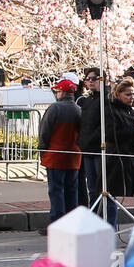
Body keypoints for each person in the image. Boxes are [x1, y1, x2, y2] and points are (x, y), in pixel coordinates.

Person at [101, 79, 134, 230]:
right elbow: (113, 135)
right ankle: (108, 227)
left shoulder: (130, 110)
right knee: (110, 192)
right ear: (118, 94)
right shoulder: (111, 110)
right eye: (127, 94)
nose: (131, 97)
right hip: (118, 159)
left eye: (133, 94)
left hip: (133, 157)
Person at [37, 72, 82, 234]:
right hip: (73, 158)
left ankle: (57, 223)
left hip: (55, 156)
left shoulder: (54, 108)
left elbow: (44, 133)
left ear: (62, 92)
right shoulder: (78, 110)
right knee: (71, 191)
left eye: (57, 91)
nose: (56, 93)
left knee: (56, 191)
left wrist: (42, 151)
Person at [77, 67, 107, 219]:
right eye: (88, 79)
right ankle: (94, 217)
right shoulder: (87, 100)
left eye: (94, 78)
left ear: (102, 80)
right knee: (92, 188)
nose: (90, 81)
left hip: (99, 149)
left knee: (102, 187)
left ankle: (103, 219)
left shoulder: (106, 100)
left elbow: (105, 125)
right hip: (87, 149)